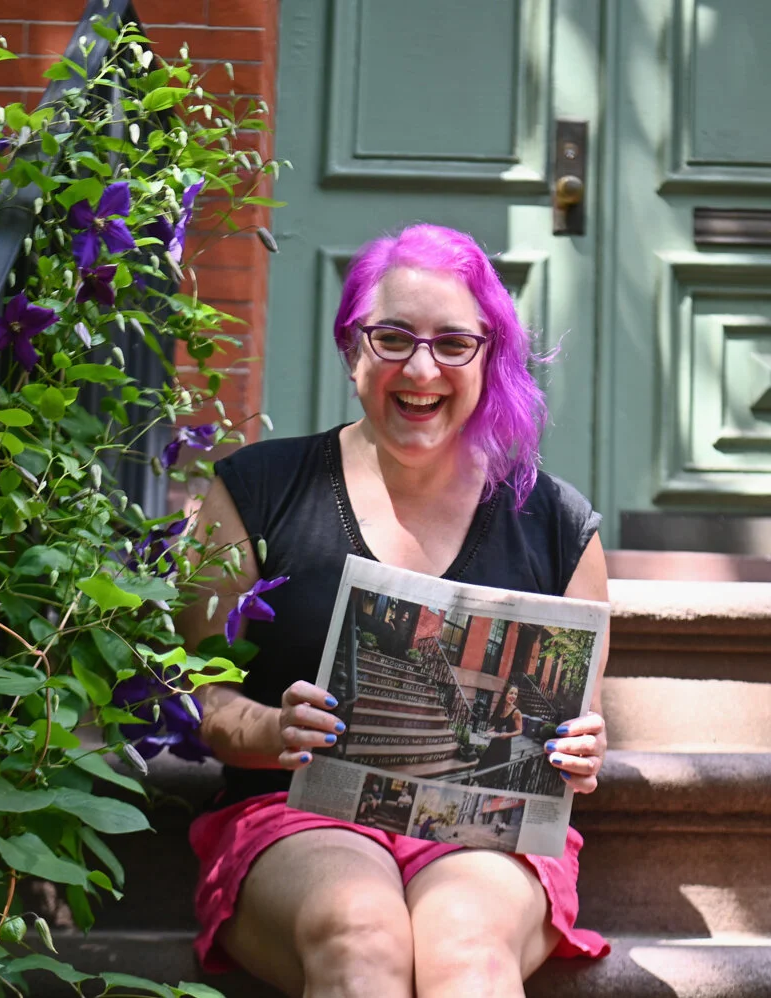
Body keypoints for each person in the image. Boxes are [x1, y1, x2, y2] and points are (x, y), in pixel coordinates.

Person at [178, 223, 611, 997]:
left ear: (489, 357)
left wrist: (580, 748)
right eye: (393, 338)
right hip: (295, 814)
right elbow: (199, 695)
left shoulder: (557, 524)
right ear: (353, 349)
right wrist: (274, 730)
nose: (421, 367)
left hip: (487, 831)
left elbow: (580, 725)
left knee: (469, 953)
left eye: (454, 343)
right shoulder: (256, 491)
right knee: (362, 935)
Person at [476, 684, 524, 770]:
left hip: (503, 748)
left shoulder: (516, 712)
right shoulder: (501, 707)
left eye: (516, 694)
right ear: (505, 693)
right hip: (493, 744)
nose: (513, 696)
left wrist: (507, 735)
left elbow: (520, 730)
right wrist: (488, 732)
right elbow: (498, 726)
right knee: (483, 769)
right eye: (511, 693)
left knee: (496, 773)